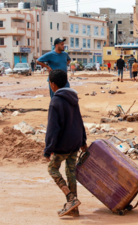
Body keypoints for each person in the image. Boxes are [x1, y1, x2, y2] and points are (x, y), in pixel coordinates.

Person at [44, 69, 87, 217]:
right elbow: (79, 120)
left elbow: (52, 128)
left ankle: (71, 198)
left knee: (52, 169)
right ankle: (73, 208)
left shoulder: (55, 101)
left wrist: (48, 149)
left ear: (53, 84)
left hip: (63, 145)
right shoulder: (73, 98)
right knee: (71, 173)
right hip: (75, 142)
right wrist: (83, 141)